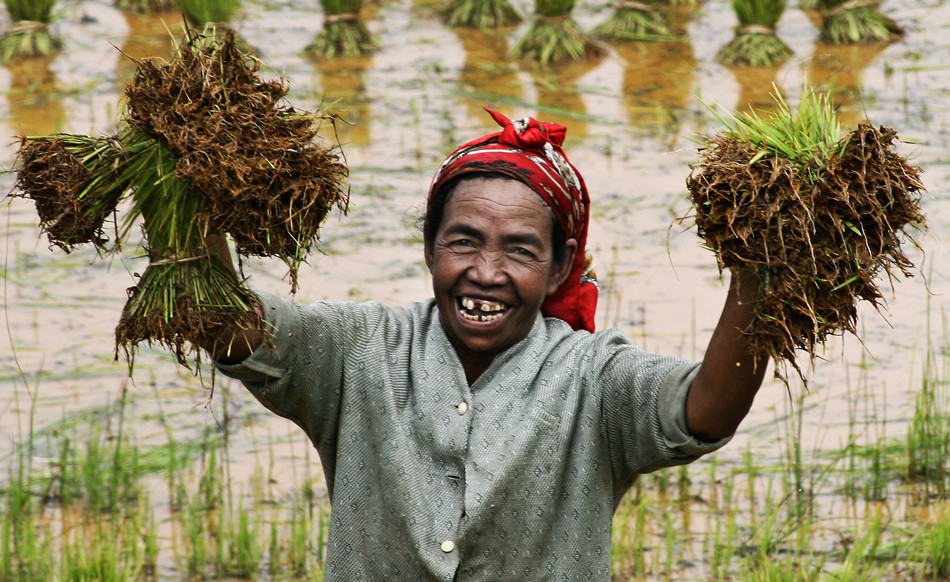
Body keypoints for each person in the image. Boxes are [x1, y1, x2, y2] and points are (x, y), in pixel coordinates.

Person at [204, 109, 768, 581]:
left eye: (521, 251)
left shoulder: (591, 380)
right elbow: (231, 327)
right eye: (463, 241)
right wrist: (189, 193)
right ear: (429, 247)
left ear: (560, 266)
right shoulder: (360, 349)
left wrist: (763, 265)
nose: (486, 272)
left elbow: (707, 409)